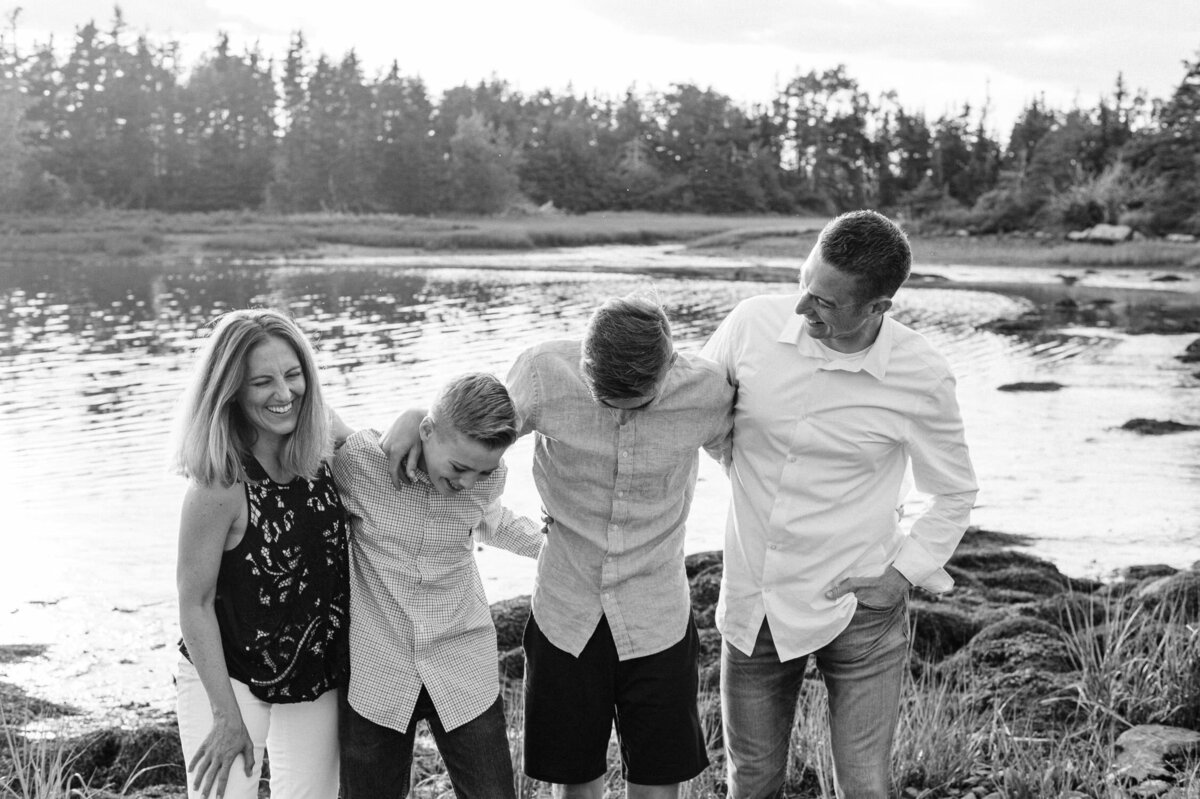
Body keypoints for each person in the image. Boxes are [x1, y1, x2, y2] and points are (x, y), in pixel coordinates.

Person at [383, 294, 735, 799]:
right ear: (585, 362)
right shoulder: (543, 373)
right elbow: (474, 430)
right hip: (566, 613)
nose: (619, 412)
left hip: (658, 616)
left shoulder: (708, 392)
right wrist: (417, 413)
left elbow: (753, 457)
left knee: (659, 788)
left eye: (637, 403)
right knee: (573, 786)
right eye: (605, 399)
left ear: (669, 366)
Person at [700, 210, 979, 799]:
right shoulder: (751, 324)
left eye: (824, 303)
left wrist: (901, 575)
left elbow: (953, 490)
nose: (803, 309)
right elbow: (694, 412)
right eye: (804, 285)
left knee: (864, 787)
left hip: (861, 608)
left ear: (878, 307)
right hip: (758, 600)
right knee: (750, 782)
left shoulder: (920, 372)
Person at [332, 372, 545, 799]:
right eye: (460, 467)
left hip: (463, 664)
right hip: (379, 671)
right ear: (427, 432)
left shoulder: (486, 479)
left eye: (482, 471)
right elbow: (306, 412)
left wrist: (555, 546)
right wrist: (413, 413)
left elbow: (492, 520)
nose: (468, 482)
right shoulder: (361, 463)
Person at [172, 309, 350, 799]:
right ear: (230, 391)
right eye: (262, 382)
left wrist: (417, 419)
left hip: (315, 670)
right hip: (228, 674)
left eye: (293, 376)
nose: (285, 394)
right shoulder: (219, 484)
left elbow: (388, 455)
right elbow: (194, 602)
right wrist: (226, 717)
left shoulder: (322, 441)